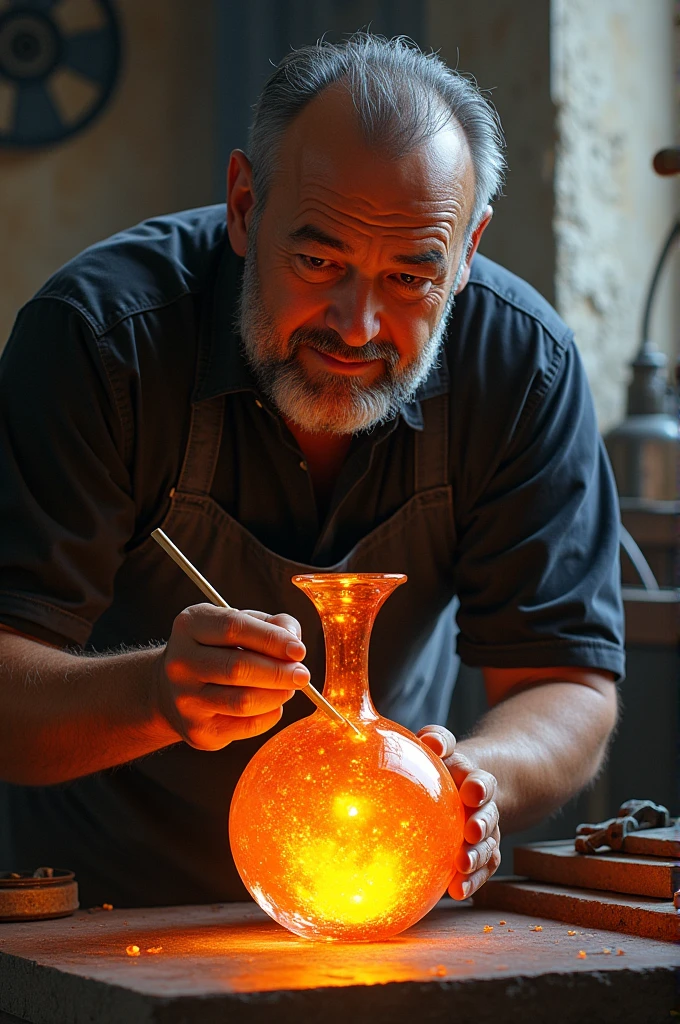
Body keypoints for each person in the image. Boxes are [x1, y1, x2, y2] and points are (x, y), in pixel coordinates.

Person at [0, 34, 622, 909]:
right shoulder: (102, 343)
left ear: (469, 248)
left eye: (411, 276)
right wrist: (154, 693)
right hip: (102, 909)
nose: (359, 325)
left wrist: (472, 783)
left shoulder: (522, 366)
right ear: (246, 206)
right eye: (320, 261)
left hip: (377, 913)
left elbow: (568, 681)